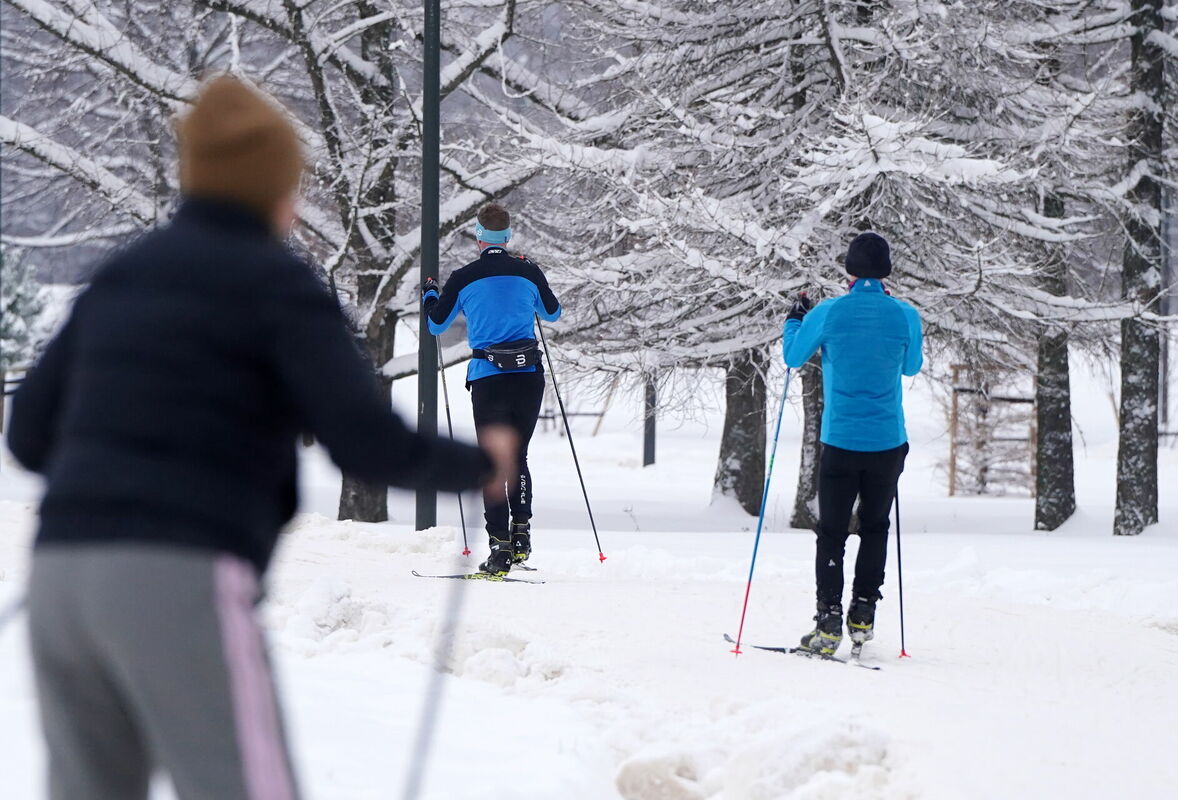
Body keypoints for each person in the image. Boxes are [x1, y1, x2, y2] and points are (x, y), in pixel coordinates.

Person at [7, 75, 515, 800]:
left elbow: (27, 434)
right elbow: (363, 440)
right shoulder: (277, 285)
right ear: (274, 188)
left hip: (60, 576)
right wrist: (478, 465)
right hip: (179, 574)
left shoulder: (120, 277)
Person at [782, 231, 923, 655]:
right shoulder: (905, 315)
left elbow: (792, 356)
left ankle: (827, 620)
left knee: (832, 532)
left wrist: (794, 318)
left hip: (841, 440)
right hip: (887, 442)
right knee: (876, 528)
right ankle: (863, 612)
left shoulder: (829, 312)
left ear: (848, 270)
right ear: (886, 272)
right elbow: (912, 366)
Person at [422, 203, 562, 575]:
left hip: (488, 377)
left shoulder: (464, 276)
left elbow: (436, 325)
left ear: (479, 236)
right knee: (518, 457)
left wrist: (430, 296)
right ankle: (522, 536)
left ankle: (499, 547)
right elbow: (552, 313)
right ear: (508, 235)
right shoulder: (527, 270)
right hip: (528, 376)